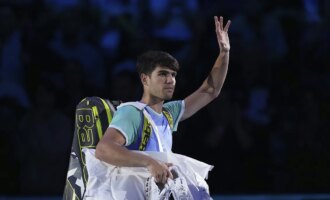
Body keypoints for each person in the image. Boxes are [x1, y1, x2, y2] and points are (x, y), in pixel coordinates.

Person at [95, 15, 230, 191]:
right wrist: (149, 162)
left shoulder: (169, 113)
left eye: (173, 75)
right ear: (145, 78)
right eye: (163, 74)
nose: (170, 80)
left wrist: (224, 53)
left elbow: (210, 91)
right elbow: (103, 149)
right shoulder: (132, 112)